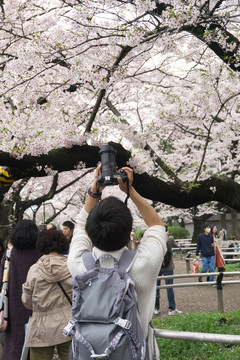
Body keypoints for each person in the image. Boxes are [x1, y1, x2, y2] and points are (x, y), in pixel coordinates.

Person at [67, 165, 167, 360]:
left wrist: (94, 190)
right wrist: (130, 191)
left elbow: (80, 224)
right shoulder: (143, 264)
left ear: (90, 231)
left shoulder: (78, 264)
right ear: (129, 229)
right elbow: (157, 225)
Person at [22, 228, 72, 360]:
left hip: (41, 327)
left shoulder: (34, 270)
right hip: (69, 323)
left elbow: (27, 302)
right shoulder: (72, 266)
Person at [0, 220, 42, 360]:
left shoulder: (10, 253)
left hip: (12, 305)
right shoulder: (40, 255)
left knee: (13, 344)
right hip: (36, 304)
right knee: (36, 346)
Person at [154, 226, 182, 316]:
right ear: (167, 231)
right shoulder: (170, 238)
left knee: (156, 288)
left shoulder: (155, 239)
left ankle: (156, 308)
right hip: (168, 267)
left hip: (157, 267)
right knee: (169, 287)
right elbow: (176, 246)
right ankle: (171, 309)